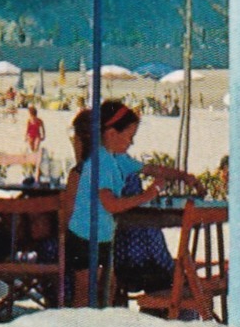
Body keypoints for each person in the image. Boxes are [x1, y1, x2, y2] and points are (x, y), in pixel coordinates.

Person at [64, 100, 199, 304]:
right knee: (86, 289)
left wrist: (184, 176)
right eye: (129, 137)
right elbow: (110, 204)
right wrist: (147, 195)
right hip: (85, 235)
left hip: (101, 234)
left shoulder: (117, 159)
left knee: (106, 286)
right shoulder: (101, 163)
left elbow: (153, 169)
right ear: (111, 134)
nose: (131, 143)